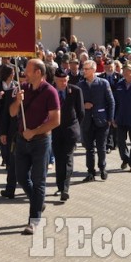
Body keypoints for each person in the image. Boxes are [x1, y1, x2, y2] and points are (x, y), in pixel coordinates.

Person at [10, 58, 60, 236]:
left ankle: (34, 220)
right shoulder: (22, 89)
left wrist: (35, 131)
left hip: (41, 141)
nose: (24, 73)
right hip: (22, 140)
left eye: (28, 70)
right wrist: (17, 101)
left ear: (38, 72)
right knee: (21, 177)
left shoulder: (50, 92)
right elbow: (12, 112)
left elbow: (56, 120)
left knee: (39, 181)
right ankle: (38, 202)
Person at [78, 59, 114, 181]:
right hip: (87, 121)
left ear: (93, 70)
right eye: (83, 68)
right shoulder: (80, 85)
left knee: (101, 147)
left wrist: (110, 119)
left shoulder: (103, 83)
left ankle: (102, 169)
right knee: (89, 148)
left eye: (86, 69)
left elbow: (111, 102)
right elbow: (76, 104)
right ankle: (90, 172)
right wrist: (84, 105)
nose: (84, 71)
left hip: (101, 121)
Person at [52, 67, 84, 201]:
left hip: (70, 130)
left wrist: (75, 127)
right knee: (59, 159)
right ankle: (60, 186)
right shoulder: (50, 91)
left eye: (65, 80)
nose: (63, 83)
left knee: (67, 157)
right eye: (60, 80)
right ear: (55, 80)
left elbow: (81, 112)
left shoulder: (75, 91)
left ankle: (65, 188)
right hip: (55, 130)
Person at [0, 64, 20, 198]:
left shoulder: (17, 86)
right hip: (6, 122)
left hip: (24, 130)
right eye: (12, 72)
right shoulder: (1, 87)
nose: (14, 75)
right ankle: (10, 188)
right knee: (10, 156)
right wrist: (0, 96)